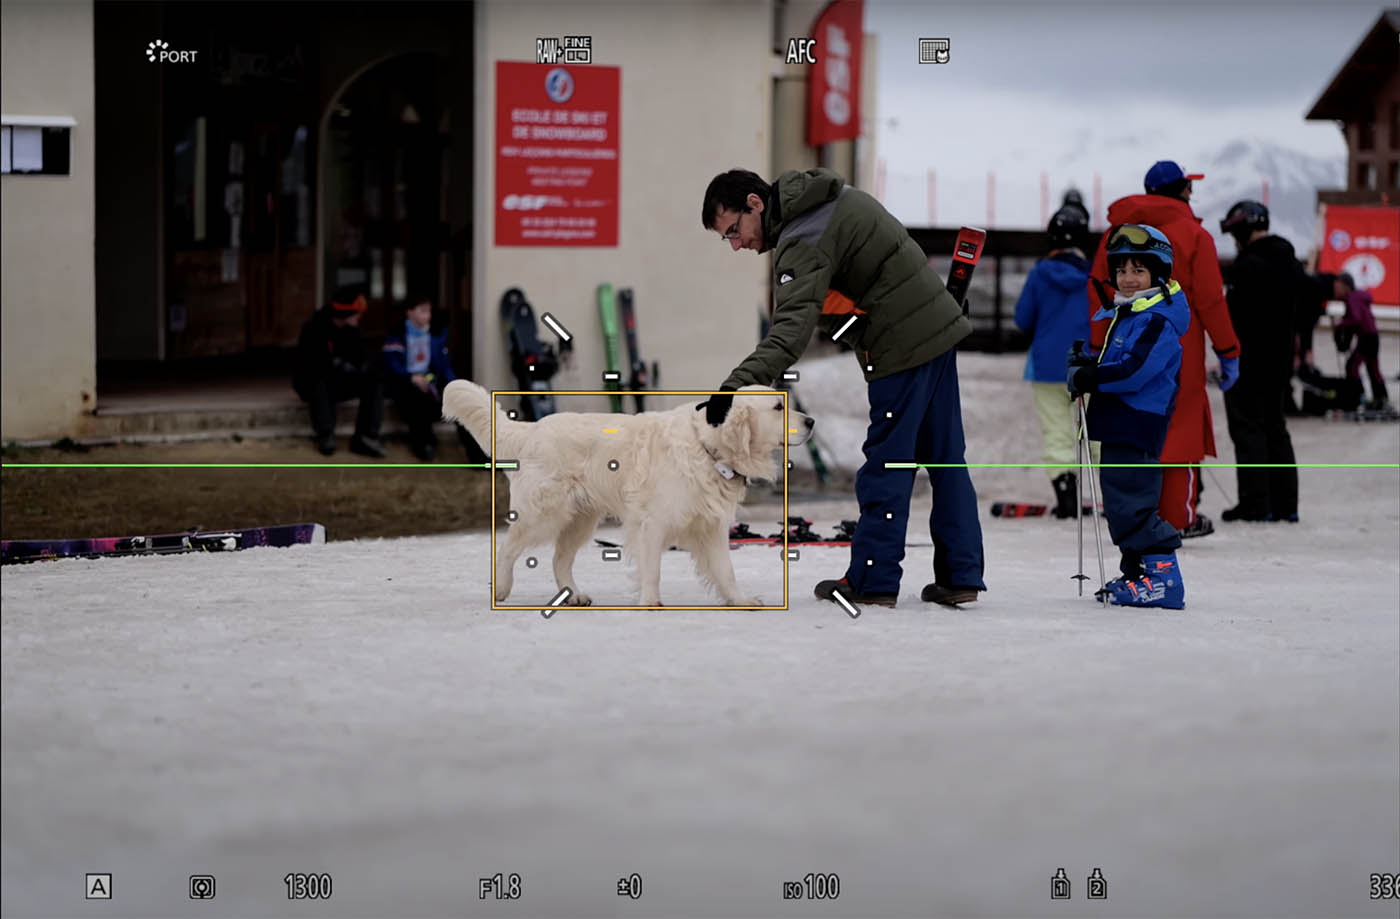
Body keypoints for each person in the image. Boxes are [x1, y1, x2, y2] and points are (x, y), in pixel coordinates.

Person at [699, 167, 985, 608]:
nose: (737, 244)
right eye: (727, 239)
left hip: (903, 346)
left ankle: (873, 582)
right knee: (945, 457)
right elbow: (872, 278)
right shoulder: (831, 200)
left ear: (755, 204)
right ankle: (961, 575)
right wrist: (856, 327)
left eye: (735, 229)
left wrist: (732, 390)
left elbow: (788, 336)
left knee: (887, 465)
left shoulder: (800, 238)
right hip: (937, 329)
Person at [1088, 161, 1241, 540]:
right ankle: (1177, 518)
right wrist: (1228, 349)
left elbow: (1097, 289)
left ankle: (1127, 514)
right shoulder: (1194, 235)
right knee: (1180, 431)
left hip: (1120, 343)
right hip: (1180, 348)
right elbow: (1210, 301)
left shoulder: (1117, 233)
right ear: (1182, 190)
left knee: (1126, 427)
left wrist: (1096, 347)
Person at [1067, 224, 1189, 609]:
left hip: (1138, 422)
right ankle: (1140, 571)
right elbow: (1119, 362)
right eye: (1122, 270)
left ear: (1158, 272)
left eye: (1139, 270)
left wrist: (1092, 377)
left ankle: (1163, 577)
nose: (1129, 279)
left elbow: (1136, 372)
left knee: (1132, 503)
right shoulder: (1132, 314)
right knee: (1119, 502)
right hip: (1120, 422)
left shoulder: (1158, 320)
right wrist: (1090, 364)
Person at [1217, 200, 1300, 523]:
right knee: (1276, 428)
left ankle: (1256, 504)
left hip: (1247, 360)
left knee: (1248, 428)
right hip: (1280, 360)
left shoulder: (1247, 266)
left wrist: (1225, 353)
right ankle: (1286, 505)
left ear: (1241, 228)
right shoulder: (1290, 261)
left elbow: (1230, 316)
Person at [1014, 204, 1098, 518]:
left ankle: (1066, 497)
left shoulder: (1039, 274)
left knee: (1057, 433)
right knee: (1098, 432)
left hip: (1047, 365)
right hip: (1090, 365)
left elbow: (1023, 319)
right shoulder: (1093, 275)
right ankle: (1117, 498)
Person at [382, 295, 490, 463]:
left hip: (431, 381)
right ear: (409, 312)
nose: (428, 316)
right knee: (417, 398)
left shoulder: (436, 334)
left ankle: (479, 457)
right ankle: (423, 445)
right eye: (423, 311)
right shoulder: (397, 334)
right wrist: (411, 377)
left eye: (429, 311)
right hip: (406, 384)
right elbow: (391, 364)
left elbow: (444, 367)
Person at [292, 286, 386, 457]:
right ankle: (325, 433)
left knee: (374, 380)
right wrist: (339, 365)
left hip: (340, 381)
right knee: (318, 379)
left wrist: (362, 367)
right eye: (356, 313)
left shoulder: (352, 329)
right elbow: (310, 365)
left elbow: (359, 356)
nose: (360, 317)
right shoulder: (315, 327)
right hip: (314, 383)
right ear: (346, 313)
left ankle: (365, 437)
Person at [1333, 272, 1392, 411]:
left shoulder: (1352, 298)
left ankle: (1359, 397)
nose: (1336, 290)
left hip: (1366, 337)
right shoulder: (1358, 297)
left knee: (1352, 367)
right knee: (1373, 368)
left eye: (1338, 286)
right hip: (1373, 336)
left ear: (1346, 286)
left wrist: (1340, 325)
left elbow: (1356, 319)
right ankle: (1381, 398)